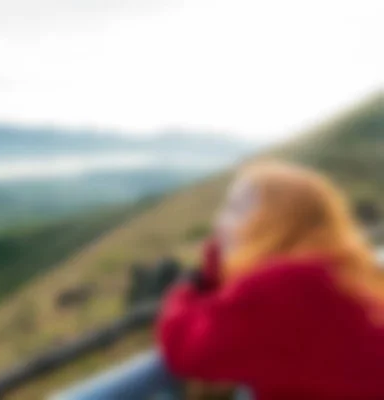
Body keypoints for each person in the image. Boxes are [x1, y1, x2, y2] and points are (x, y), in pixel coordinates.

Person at [157, 161, 384, 400]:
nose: (219, 222)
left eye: (236, 209)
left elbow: (188, 349)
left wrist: (186, 287)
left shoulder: (282, 285)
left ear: (275, 220)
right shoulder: (342, 267)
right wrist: (223, 269)